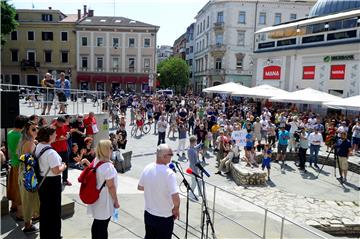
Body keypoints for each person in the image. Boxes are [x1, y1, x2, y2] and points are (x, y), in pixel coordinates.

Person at [138, 144, 180, 239]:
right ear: (164, 156)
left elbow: (140, 187)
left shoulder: (147, 168)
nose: (172, 156)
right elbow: (176, 197)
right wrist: (176, 208)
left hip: (149, 214)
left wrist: (153, 188)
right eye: (171, 154)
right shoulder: (169, 173)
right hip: (164, 217)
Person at [36, 126, 67, 239]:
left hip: (42, 180)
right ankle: (54, 235)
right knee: (54, 211)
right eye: (54, 134)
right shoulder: (51, 152)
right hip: (52, 183)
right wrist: (63, 166)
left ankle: (45, 235)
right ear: (49, 136)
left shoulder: (38, 146)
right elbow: (56, 170)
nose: (56, 136)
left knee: (44, 210)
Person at [87, 140, 119, 239]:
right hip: (104, 199)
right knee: (103, 226)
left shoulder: (96, 160)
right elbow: (111, 187)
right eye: (111, 147)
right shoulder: (108, 167)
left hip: (95, 196)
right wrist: (116, 201)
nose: (112, 149)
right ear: (106, 150)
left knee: (97, 222)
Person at [17, 121, 40, 233]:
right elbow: (28, 161)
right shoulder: (29, 143)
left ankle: (30, 221)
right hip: (28, 173)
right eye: (33, 129)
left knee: (28, 199)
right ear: (28, 132)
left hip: (23, 172)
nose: (36, 130)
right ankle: (27, 226)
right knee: (28, 200)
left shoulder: (25, 141)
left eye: (37, 128)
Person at [7, 115, 28, 219]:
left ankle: (13, 207)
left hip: (13, 163)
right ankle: (20, 215)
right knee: (20, 190)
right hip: (20, 165)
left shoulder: (10, 133)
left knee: (14, 187)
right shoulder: (21, 136)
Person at [51, 116, 72, 186]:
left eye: (63, 123)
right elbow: (50, 139)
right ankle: (55, 181)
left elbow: (67, 132)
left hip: (64, 148)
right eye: (61, 123)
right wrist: (59, 139)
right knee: (56, 166)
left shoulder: (64, 125)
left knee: (65, 164)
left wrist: (68, 134)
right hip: (56, 150)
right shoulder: (52, 127)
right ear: (57, 122)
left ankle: (65, 180)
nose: (62, 125)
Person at [187, 136, 202, 200]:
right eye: (196, 141)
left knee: (197, 182)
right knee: (195, 183)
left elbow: (195, 147)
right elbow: (193, 163)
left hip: (194, 169)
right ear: (194, 142)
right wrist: (196, 172)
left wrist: (200, 144)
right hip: (193, 170)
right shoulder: (191, 151)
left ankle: (199, 194)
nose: (196, 142)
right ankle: (192, 194)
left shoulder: (191, 148)